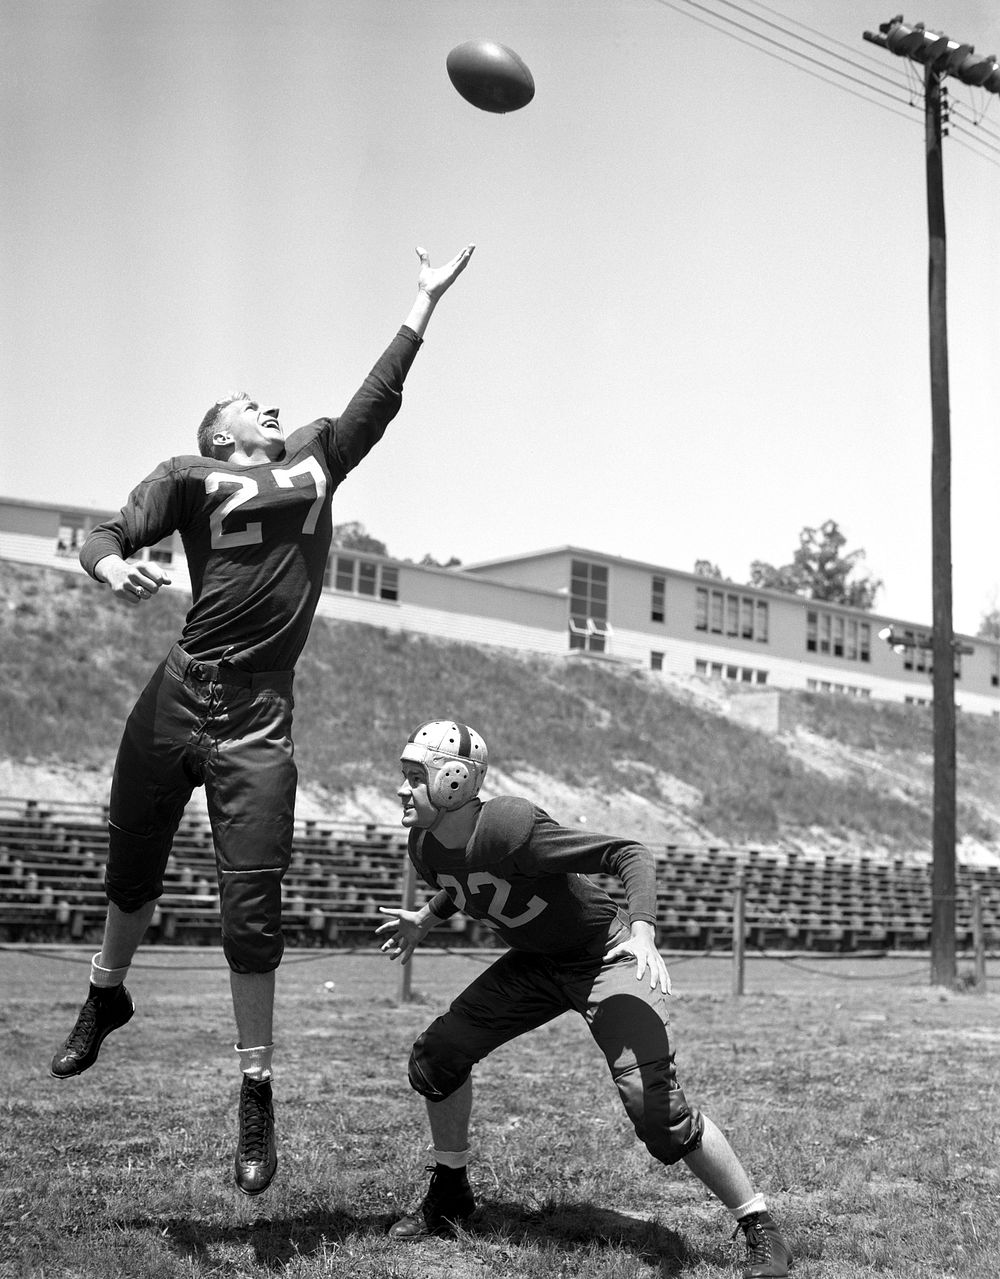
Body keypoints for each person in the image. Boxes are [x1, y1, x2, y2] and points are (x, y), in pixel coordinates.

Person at [47, 244, 475, 1199]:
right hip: (179, 686)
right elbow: (107, 531)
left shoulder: (318, 458)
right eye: (249, 400)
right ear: (219, 428)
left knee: (252, 911)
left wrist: (421, 301)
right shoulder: (188, 471)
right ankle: (104, 995)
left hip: (259, 713)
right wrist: (111, 567)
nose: (267, 403)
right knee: (132, 859)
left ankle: (256, 1092)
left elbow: (377, 402)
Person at [376, 720, 792, 1279]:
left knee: (655, 1108)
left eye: (414, 776)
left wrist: (642, 931)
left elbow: (630, 853)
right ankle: (451, 1192)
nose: (402, 788)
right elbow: (464, 881)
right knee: (437, 1056)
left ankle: (760, 1225)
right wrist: (427, 918)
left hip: (603, 954)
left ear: (453, 781)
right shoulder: (424, 845)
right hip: (537, 965)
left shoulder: (510, 825)